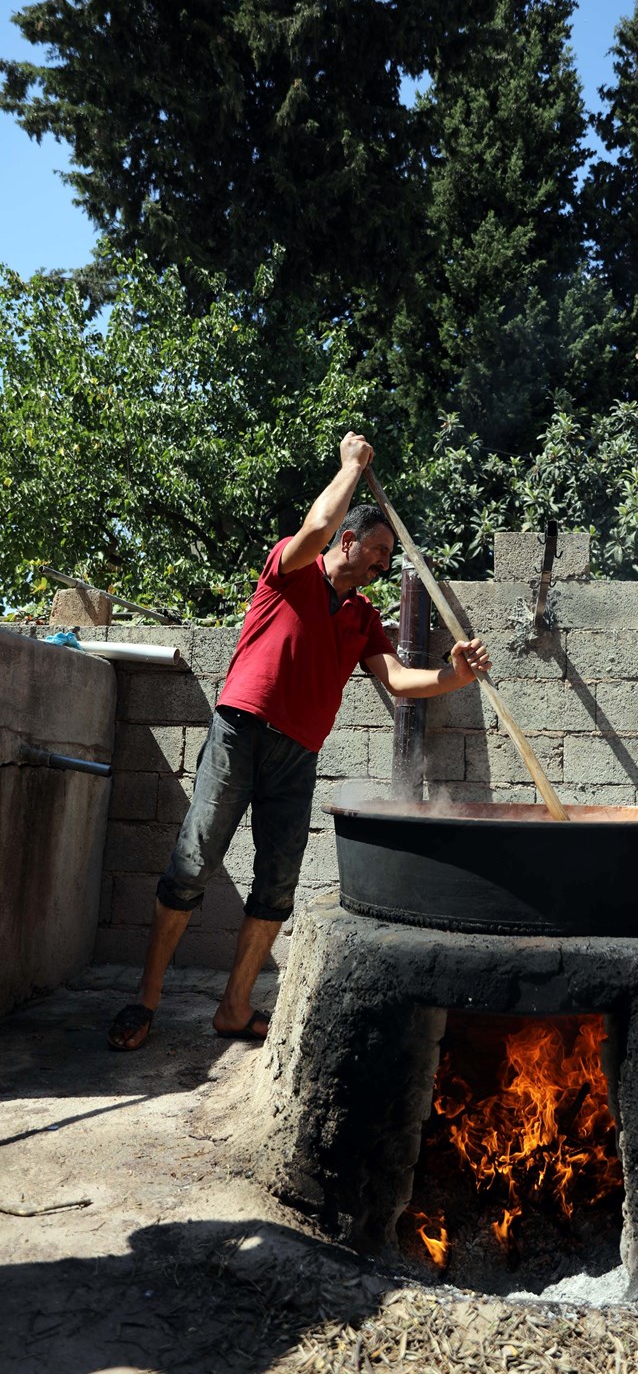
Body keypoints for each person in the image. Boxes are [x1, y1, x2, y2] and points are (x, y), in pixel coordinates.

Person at [108, 431, 490, 1051]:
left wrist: (454, 674)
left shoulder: (364, 618)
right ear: (347, 540)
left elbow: (395, 680)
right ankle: (144, 998)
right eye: (374, 550)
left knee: (278, 881)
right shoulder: (292, 567)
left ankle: (234, 1008)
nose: (379, 565)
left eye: (386, 558)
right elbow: (314, 524)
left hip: (297, 755)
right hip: (240, 730)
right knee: (193, 861)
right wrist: (349, 467)